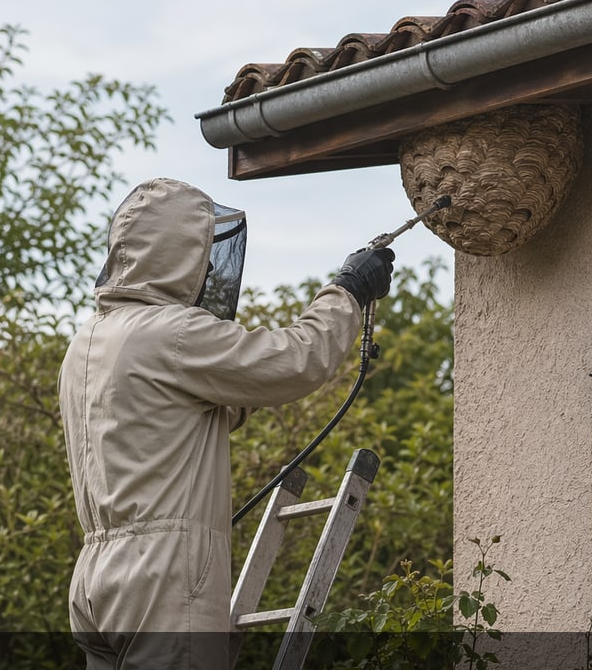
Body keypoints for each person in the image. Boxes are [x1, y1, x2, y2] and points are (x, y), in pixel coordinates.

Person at [59, 177, 395, 670]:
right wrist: (346, 292)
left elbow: (179, 416)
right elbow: (295, 359)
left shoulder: (87, 344)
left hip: (94, 581)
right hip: (164, 582)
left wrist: (245, 383)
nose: (210, 267)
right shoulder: (172, 333)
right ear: (179, 252)